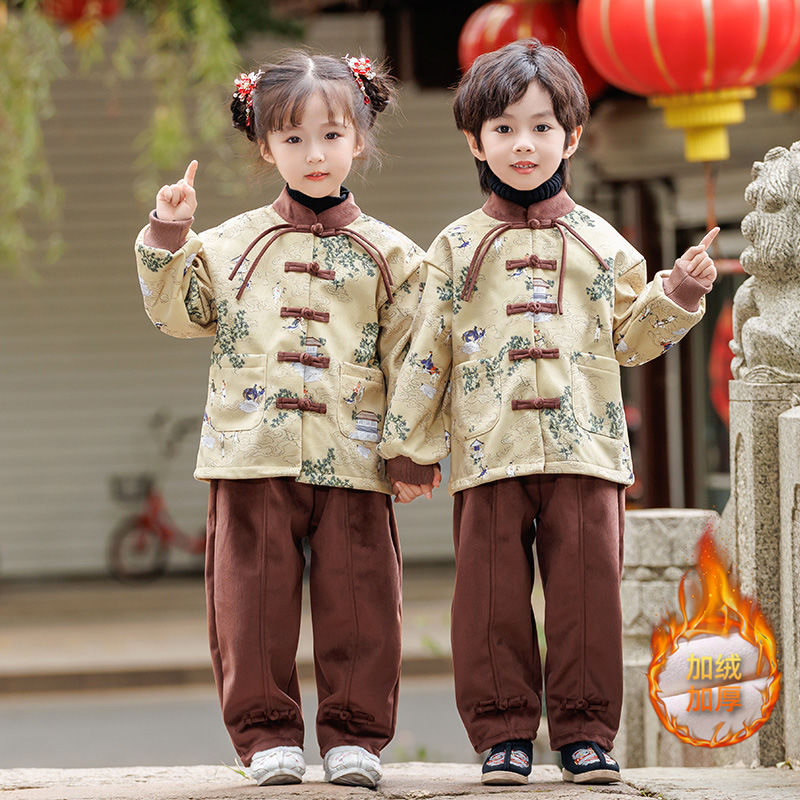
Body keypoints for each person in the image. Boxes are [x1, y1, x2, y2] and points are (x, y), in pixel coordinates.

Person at [378, 39, 717, 785]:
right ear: (474, 140)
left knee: (588, 595)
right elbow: (428, 353)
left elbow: (632, 343)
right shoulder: (456, 247)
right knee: (490, 600)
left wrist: (679, 295)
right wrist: (409, 449)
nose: (523, 144)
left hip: (587, 450)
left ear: (573, 134)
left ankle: (586, 734)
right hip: (486, 451)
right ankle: (502, 734)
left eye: (540, 126)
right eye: (503, 129)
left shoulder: (603, 242)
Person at [134, 51, 438, 788]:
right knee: (250, 599)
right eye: (293, 139)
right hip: (250, 451)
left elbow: (418, 359)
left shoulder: (394, 255)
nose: (314, 154)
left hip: (354, 453)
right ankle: (267, 733)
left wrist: (412, 449)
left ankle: (356, 735)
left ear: (359, 139)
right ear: (265, 145)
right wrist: (169, 236)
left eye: (331, 135)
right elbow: (182, 314)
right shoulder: (227, 244)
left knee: (363, 599)